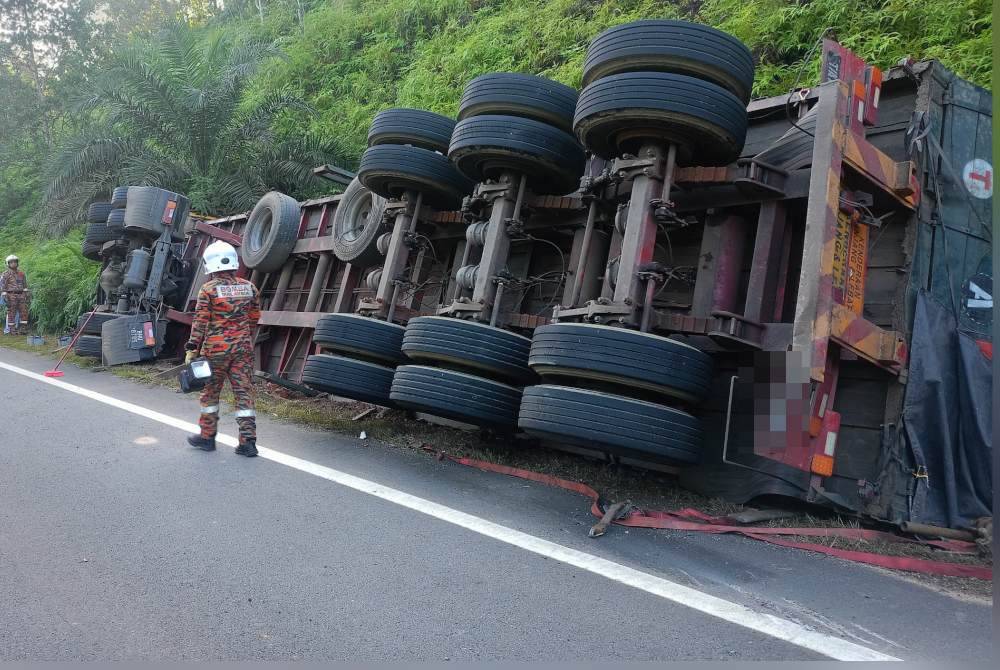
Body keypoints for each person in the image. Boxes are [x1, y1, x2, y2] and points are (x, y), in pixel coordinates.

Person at [184, 241, 261, 457]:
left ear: (210, 265)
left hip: (215, 351)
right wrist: (242, 336)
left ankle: (207, 437)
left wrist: (192, 347)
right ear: (233, 263)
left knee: (210, 394)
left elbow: (200, 321)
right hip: (243, 350)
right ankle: (248, 443)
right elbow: (254, 318)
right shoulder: (249, 287)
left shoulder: (208, 289)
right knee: (244, 394)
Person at [0, 255, 29, 335]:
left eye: (15, 261)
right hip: (11, 296)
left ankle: (23, 329)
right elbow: (3, 287)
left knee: (24, 312)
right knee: (11, 313)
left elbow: (25, 285)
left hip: (21, 295)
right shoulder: (5, 274)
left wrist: (26, 294)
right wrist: (5, 296)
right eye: (11, 262)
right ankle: (12, 330)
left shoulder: (21, 274)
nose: (13, 263)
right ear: (8, 264)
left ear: (17, 263)